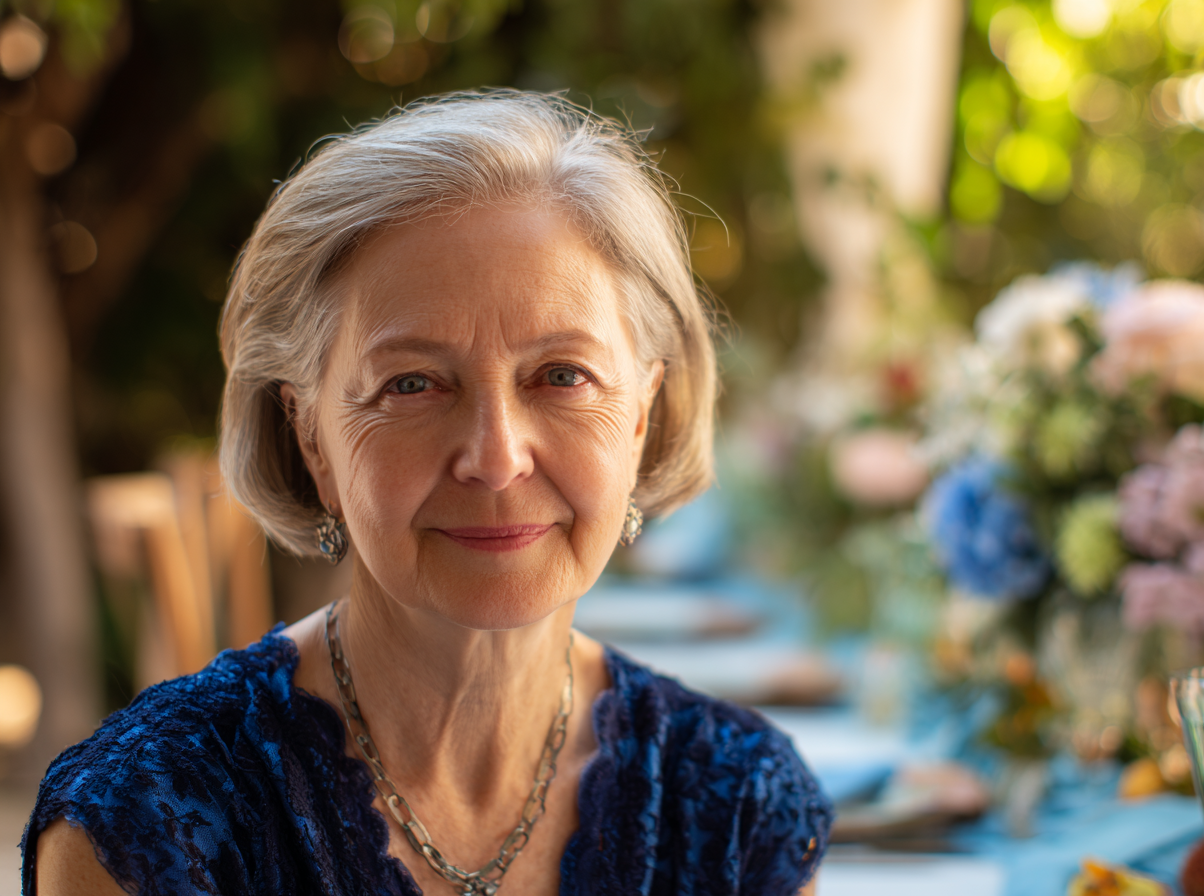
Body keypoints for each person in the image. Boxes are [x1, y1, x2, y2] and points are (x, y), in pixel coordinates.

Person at [24, 91, 832, 896]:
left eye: (561, 376)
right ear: (311, 437)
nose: (496, 458)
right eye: (412, 384)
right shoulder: (141, 829)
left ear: (640, 417)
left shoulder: (737, 809)